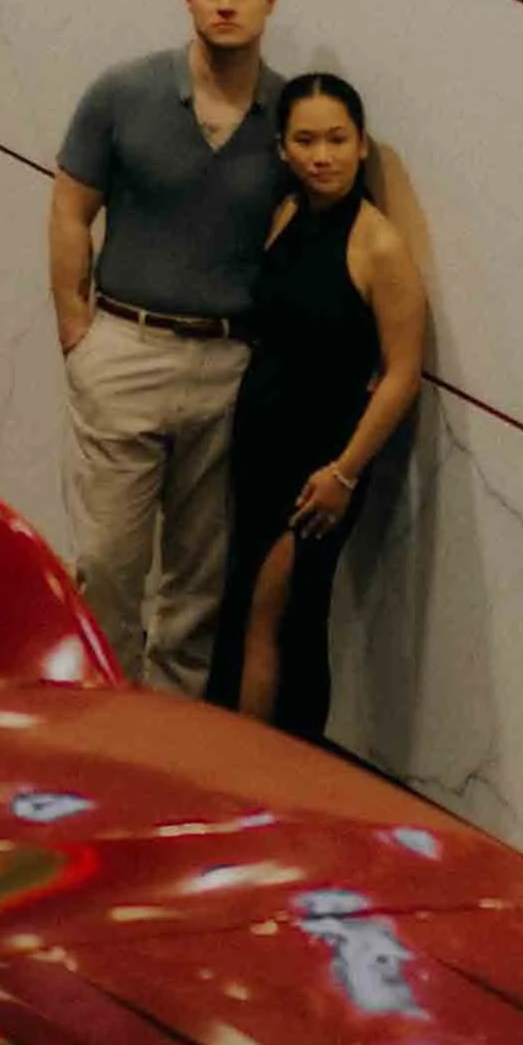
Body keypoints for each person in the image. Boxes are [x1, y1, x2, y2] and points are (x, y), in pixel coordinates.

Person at [49, 0, 286, 690]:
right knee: (108, 567)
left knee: (197, 588)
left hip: (227, 366)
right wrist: (75, 330)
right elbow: (69, 209)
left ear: (269, 1)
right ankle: (100, 732)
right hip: (125, 349)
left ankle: (167, 752)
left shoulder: (289, 115)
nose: (225, 6)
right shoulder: (124, 93)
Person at [205, 72, 427, 741]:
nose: (321, 155)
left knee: (280, 623)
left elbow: (401, 374)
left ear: (362, 147)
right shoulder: (285, 214)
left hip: (322, 463)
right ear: (282, 149)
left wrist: (345, 472)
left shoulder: (378, 244)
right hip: (259, 447)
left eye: (337, 139)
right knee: (251, 612)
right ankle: (246, 778)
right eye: (305, 140)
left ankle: (271, 783)